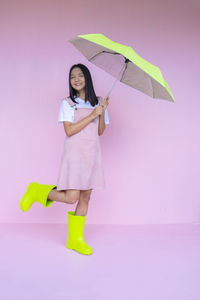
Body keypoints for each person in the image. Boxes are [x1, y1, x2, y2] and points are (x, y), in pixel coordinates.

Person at [20, 63, 110, 255]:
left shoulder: (99, 102)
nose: (76, 79)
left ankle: (75, 239)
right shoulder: (68, 103)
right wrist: (93, 114)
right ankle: (37, 190)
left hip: (93, 154)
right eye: (72, 76)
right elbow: (69, 131)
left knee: (86, 197)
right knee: (71, 198)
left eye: (80, 75)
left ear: (87, 78)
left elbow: (100, 131)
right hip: (75, 154)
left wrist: (102, 112)